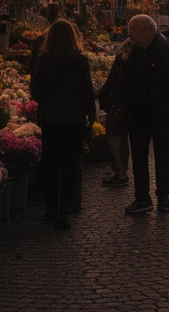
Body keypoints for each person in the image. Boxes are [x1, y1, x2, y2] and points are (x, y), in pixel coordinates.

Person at [28, 20, 96, 230]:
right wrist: (91, 116)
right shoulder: (80, 60)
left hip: (51, 118)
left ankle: (51, 208)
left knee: (51, 162)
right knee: (71, 163)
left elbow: (36, 92)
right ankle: (66, 207)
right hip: (74, 118)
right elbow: (87, 90)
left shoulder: (44, 60)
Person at [122, 15, 169, 214]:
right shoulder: (131, 52)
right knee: (139, 159)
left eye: (132, 30)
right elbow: (124, 81)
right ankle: (142, 198)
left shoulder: (168, 52)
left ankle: (163, 197)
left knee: (162, 158)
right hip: (138, 115)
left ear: (146, 30)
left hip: (161, 115)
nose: (129, 34)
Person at [95, 40, 132, 187]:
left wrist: (104, 98)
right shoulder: (129, 59)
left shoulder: (122, 61)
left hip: (119, 103)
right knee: (121, 138)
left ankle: (120, 172)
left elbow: (112, 81)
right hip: (127, 103)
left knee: (115, 136)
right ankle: (121, 170)